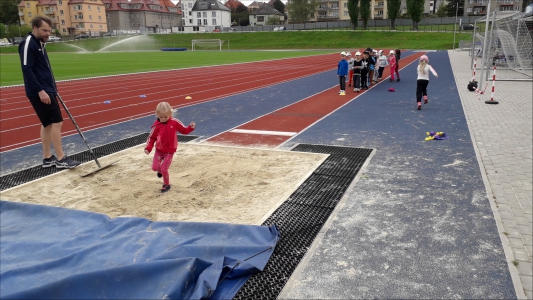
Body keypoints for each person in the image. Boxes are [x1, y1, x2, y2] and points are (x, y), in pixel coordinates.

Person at [19, 15, 80, 169]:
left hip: (47, 89)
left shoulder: (40, 43)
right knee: (56, 122)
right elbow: (27, 69)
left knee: (47, 124)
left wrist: (53, 88)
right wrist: (41, 90)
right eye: (44, 30)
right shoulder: (28, 44)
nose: (47, 33)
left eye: (49, 31)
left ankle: (47, 157)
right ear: (35, 28)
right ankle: (61, 158)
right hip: (40, 91)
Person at [145, 102, 196, 193]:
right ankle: (160, 171)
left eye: (166, 117)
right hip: (159, 151)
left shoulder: (174, 122)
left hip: (169, 152)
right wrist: (148, 148)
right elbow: (151, 138)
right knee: (155, 168)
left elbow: (183, 130)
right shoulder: (156, 126)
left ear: (170, 114)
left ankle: (166, 184)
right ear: (157, 115)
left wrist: (190, 128)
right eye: (161, 117)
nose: (163, 119)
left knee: (164, 169)